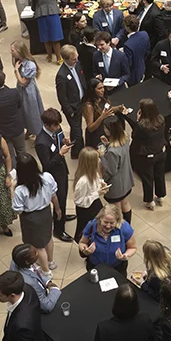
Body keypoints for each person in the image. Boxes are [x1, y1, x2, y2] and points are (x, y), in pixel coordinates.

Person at [35, 108, 78, 241]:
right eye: (56, 125)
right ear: (47, 125)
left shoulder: (56, 130)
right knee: (59, 199)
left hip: (62, 169)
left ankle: (63, 214)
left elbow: (59, 140)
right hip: (53, 175)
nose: (59, 127)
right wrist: (60, 154)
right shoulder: (41, 142)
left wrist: (65, 142)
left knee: (64, 196)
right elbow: (47, 165)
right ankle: (59, 230)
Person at [79, 203, 136, 272]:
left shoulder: (124, 227)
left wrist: (125, 255)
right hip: (95, 266)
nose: (108, 226)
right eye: (105, 222)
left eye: (112, 223)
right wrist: (85, 251)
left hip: (117, 267)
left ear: (117, 220)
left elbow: (132, 247)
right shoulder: (91, 226)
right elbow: (82, 243)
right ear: (100, 218)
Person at [9, 243, 62, 314]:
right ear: (27, 261)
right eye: (35, 253)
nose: (38, 253)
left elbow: (34, 271)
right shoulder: (30, 283)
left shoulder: (16, 260)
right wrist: (55, 289)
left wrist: (47, 282)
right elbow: (46, 306)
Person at [73, 146, 109, 241]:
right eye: (97, 159)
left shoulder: (94, 172)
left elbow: (97, 180)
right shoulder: (83, 181)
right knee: (87, 231)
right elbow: (80, 202)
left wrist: (101, 183)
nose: (99, 160)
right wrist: (97, 193)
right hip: (86, 210)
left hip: (95, 204)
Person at [11, 40, 44, 138]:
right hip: (20, 91)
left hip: (29, 92)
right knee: (23, 112)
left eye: (13, 50)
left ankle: (38, 133)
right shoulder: (18, 61)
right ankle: (29, 129)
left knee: (32, 113)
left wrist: (16, 70)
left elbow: (23, 82)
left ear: (19, 51)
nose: (11, 52)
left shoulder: (30, 65)